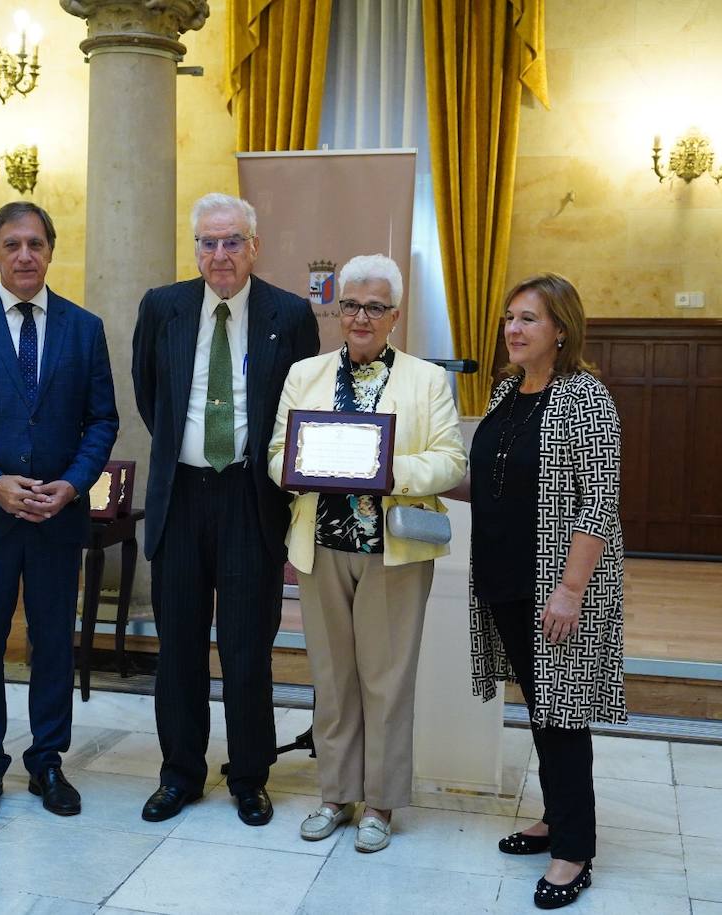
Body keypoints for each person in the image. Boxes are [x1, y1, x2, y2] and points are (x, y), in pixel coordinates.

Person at [0, 201, 119, 823]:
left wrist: (73, 484)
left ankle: (48, 761)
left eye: (35, 243)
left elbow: (102, 420)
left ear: (51, 251)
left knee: (53, 643)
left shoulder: (84, 329)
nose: (25, 255)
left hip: (58, 517)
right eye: (12, 245)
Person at [131, 192, 318, 826]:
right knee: (179, 646)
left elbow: (298, 410)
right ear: (195, 249)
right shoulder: (163, 307)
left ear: (254, 247)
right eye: (208, 243)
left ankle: (249, 776)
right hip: (180, 495)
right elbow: (148, 392)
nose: (219, 255)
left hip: (250, 498)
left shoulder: (289, 315)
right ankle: (180, 772)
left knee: (246, 650)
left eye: (232, 241)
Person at [269, 254, 465, 852]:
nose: (361, 316)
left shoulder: (426, 380)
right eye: (351, 305)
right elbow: (277, 453)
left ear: (394, 316)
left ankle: (379, 801)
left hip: (393, 551)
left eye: (375, 307)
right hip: (322, 545)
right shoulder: (305, 374)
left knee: (386, 680)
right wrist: (301, 468)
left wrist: (384, 470)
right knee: (332, 679)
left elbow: (452, 461)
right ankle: (334, 794)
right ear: (339, 310)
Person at [462, 273, 626, 908]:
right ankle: (557, 816)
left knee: (563, 714)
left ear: (561, 329)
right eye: (509, 317)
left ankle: (574, 849)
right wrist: (398, 469)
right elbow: (491, 481)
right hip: (503, 575)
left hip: (556, 585)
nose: (513, 329)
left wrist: (570, 589)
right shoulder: (508, 391)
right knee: (540, 705)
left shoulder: (587, 399)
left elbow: (597, 504)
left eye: (528, 318)